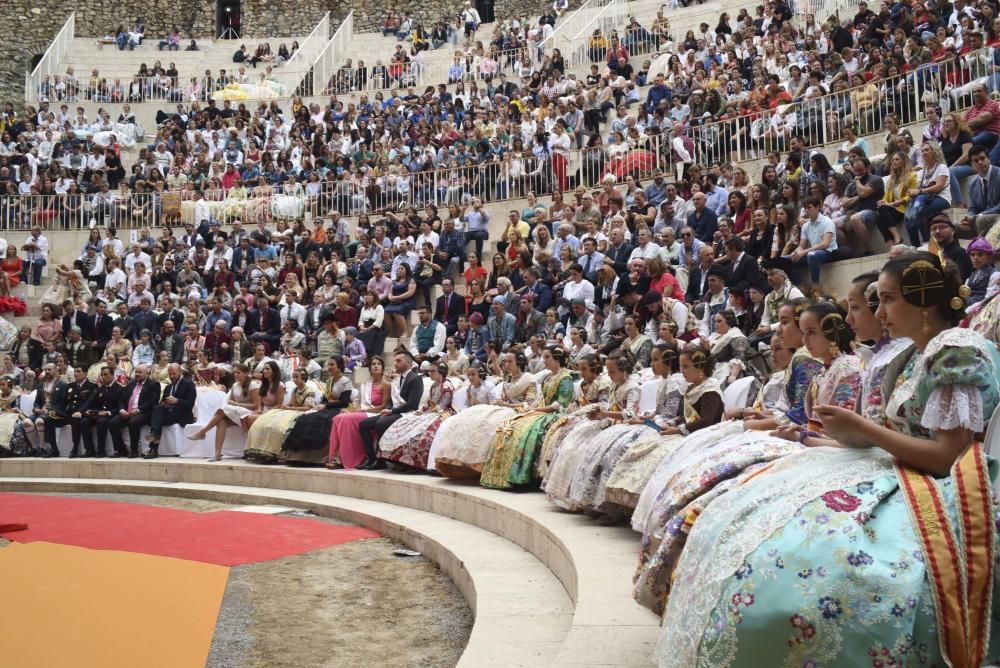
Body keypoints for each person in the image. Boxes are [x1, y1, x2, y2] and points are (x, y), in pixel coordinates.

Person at [657, 252, 1000, 667]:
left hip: (945, 485)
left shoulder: (956, 351)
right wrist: (843, 435)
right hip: (900, 469)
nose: (879, 312)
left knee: (804, 559)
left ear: (923, 300)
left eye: (888, 299)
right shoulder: (917, 354)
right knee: (742, 514)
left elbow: (949, 457)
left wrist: (862, 429)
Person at [480, 345, 574, 490]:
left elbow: (560, 405)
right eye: (544, 358)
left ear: (557, 358)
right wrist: (531, 408)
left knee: (527, 430)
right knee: (513, 426)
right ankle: (505, 474)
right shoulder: (548, 377)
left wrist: (535, 409)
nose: (545, 361)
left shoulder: (565, 378)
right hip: (542, 411)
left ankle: (523, 476)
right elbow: (541, 398)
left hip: (556, 414)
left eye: (547, 357)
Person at [435, 351, 536, 479]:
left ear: (520, 362)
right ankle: (460, 461)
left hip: (518, 412)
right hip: (502, 409)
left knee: (488, 424)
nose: (506, 364)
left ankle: (482, 463)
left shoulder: (528, 379)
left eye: (510, 361)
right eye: (505, 361)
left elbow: (529, 404)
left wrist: (505, 405)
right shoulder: (508, 378)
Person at [378, 361, 455, 470]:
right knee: (405, 423)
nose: (430, 373)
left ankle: (416, 463)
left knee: (424, 432)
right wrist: (422, 410)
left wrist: (427, 411)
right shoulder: (434, 385)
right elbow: (430, 402)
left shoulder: (447, 386)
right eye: (430, 371)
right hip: (431, 412)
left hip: (443, 413)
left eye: (433, 371)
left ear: (441, 372)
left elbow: (442, 406)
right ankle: (401, 461)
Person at [357, 351, 424, 470]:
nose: (395, 363)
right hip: (396, 411)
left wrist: (391, 411)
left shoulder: (415, 378)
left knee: (380, 423)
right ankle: (371, 457)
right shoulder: (398, 380)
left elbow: (412, 404)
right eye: (395, 361)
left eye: (399, 361)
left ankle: (381, 459)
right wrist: (388, 409)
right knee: (364, 424)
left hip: (407, 413)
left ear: (408, 362)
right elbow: (392, 401)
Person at [282, 357, 354, 466]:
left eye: (332, 365)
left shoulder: (346, 381)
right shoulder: (329, 381)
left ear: (339, 366)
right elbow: (325, 398)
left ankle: (317, 457)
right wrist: (320, 405)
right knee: (304, 418)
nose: (329, 367)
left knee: (322, 419)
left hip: (339, 409)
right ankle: (298, 455)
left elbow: (345, 402)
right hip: (327, 408)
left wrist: (325, 405)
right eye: (328, 365)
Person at [244, 368, 319, 464]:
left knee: (280, 427)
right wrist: (285, 406)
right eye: (293, 377)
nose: (294, 379)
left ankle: (277, 452)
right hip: (291, 411)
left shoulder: (309, 391)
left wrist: (290, 409)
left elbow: (307, 408)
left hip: (302, 414)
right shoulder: (295, 390)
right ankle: (263, 451)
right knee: (269, 421)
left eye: (297, 377)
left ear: (303, 378)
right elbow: (291, 403)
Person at [144, 363, 196, 458]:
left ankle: (153, 447)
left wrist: (177, 401)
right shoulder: (168, 387)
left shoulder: (188, 384)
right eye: (170, 374)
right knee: (157, 409)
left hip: (182, 415)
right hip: (169, 414)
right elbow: (162, 401)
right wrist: (164, 404)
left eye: (174, 374)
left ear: (180, 372)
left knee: (156, 414)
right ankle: (154, 446)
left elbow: (190, 404)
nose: (172, 376)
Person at [107, 364, 160, 458]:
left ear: (146, 373)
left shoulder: (153, 384)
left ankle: (134, 450)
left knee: (133, 422)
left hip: (144, 412)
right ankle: (120, 450)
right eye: (136, 372)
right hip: (128, 412)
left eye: (140, 372)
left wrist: (138, 410)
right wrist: (122, 409)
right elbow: (122, 400)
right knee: (113, 423)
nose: (137, 374)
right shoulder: (131, 384)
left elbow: (153, 402)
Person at [78, 365, 123, 458]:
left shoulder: (119, 388)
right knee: (84, 422)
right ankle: (89, 449)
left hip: (111, 414)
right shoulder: (99, 389)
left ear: (112, 375)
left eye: (106, 374)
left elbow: (120, 406)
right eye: (102, 375)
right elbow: (91, 402)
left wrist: (108, 413)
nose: (103, 377)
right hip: (99, 413)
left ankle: (101, 450)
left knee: (101, 422)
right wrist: (87, 411)